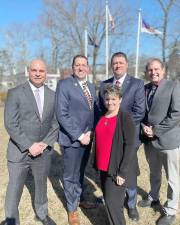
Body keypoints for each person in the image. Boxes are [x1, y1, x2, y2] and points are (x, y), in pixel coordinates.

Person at [3, 59, 59, 225]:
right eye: (34, 70)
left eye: (41, 71)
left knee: (41, 186)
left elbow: (55, 123)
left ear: (46, 73)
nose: (37, 73)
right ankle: (12, 220)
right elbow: (10, 123)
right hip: (19, 151)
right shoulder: (15, 93)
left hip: (43, 152)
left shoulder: (52, 95)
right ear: (28, 71)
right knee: (14, 189)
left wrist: (44, 144)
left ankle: (42, 214)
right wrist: (29, 145)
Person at [98, 52, 145, 221]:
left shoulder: (137, 84)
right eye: (114, 63)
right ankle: (113, 200)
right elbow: (101, 109)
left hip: (127, 135)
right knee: (111, 174)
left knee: (127, 173)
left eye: (121, 62)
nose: (117, 65)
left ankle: (131, 204)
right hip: (107, 138)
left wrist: (121, 126)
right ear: (111, 66)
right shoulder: (104, 85)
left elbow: (139, 111)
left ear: (126, 64)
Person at [55, 55, 97, 225]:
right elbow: (61, 114)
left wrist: (91, 133)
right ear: (72, 67)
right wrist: (80, 135)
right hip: (73, 139)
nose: (80, 68)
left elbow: (93, 112)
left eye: (83, 65)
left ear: (88, 68)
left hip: (88, 138)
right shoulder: (64, 85)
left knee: (80, 172)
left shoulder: (92, 87)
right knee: (70, 175)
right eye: (77, 65)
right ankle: (72, 209)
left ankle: (80, 198)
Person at [138, 58, 180, 225]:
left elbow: (176, 114)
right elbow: (141, 113)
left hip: (168, 141)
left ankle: (170, 210)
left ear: (163, 70)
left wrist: (156, 130)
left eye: (156, 69)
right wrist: (143, 127)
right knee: (154, 172)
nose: (153, 72)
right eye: (150, 70)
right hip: (149, 141)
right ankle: (153, 196)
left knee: (172, 178)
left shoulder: (174, 86)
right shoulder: (144, 88)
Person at [95, 84, 135, 225]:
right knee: (110, 202)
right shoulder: (103, 115)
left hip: (116, 169)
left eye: (113, 99)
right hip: (104, 167)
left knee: (113, 204)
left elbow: (130, 145)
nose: (110, 102)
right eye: (107, 99)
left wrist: (122, 172)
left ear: (120, 99)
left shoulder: (124, 117)